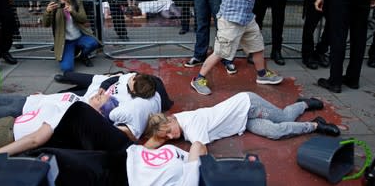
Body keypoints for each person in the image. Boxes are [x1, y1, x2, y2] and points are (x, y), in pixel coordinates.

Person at [0, 71, 161, 140]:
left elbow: (126, 130)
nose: (100, 94)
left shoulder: (86, 112)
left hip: (22, 116)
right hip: (32, 100)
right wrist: (45, 96)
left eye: (101, 97)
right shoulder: (82, 100)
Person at [0, 94, 133, 172]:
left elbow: (35, 139)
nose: (99, 94)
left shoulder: (75, 114)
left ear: (98, 114)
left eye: (101, 99)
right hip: (7, 125)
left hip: (0, 138)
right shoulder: (76, 106)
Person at [190, 0, 283, 95]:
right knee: (221, 52)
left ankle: (262, 75)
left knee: (257, 47)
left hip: (248, 18)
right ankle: (198, 79)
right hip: (230, 19)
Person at [144, 92, 340, 150]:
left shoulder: (190, 125)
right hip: (242, 122)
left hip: (248, 104)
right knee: (275, 132)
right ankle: (315, 124)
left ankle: (303, 104)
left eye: (169, 131)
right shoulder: (173, 123)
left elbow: (200, 150)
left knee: (286, 117)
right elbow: (156, 138)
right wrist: (140, 151)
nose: (171, 136)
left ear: (170, 119)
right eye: (167, 137)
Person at [42, 0, 100, 71]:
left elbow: (83, 19)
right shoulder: (54, 4)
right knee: (67, 68)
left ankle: (83, 56)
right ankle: (73, 52)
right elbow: (45, 24)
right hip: (66, 41)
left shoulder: (76, 1)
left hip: (79, 37)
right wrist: (47, 12)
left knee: (93, 43)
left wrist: (72, 11)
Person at [126, 142, 206, 186]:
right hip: (131, 151)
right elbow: (198, 146)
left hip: (125, 170)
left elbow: (198, 146)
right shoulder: (192, 175)